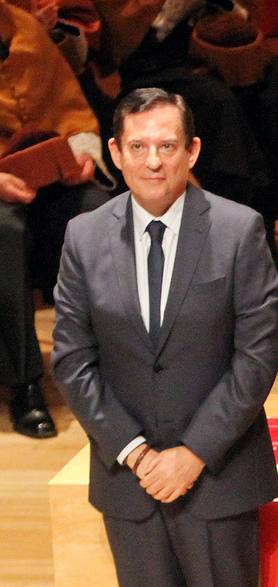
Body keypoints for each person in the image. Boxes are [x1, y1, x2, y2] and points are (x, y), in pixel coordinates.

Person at [52, 86, 278, 587]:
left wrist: (192, 453)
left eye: (167, 145)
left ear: (192, 151)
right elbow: (73, 358)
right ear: (116, 155)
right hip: (130, 478)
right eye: (139, 147)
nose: (154, 161)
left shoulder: (239, 229)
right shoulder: (84, 236)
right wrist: (137, 452)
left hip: (216, 473)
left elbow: (257, 355)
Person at [91, 0, 278, 267]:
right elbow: (118, 33)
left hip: (222, 45)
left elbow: (248, 13)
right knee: (220, 104)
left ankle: (266, 223)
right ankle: (234, 231)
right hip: (154, 61)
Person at [1, 1, 112, 437]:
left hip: (40, 175)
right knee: (5, 229)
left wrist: (80, 157)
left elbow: (72, 113)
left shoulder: (22, 28)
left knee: (94, 210)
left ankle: (110, 362)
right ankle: (24, 382)